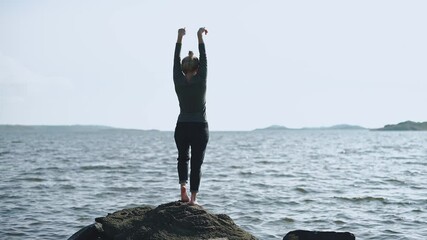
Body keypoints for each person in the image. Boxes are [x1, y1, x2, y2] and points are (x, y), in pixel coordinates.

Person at [173, 27, 209, 205]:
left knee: (183, 158)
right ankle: (193, 199)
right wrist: (199, 37)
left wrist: (179, 37)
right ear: (197, 68)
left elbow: (175, 60)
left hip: (182, 126)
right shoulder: (201, 80)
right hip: (199, 127)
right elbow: (205, 60)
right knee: (196, 162)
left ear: (182, 68)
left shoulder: (178, 81)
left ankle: (182, 189)